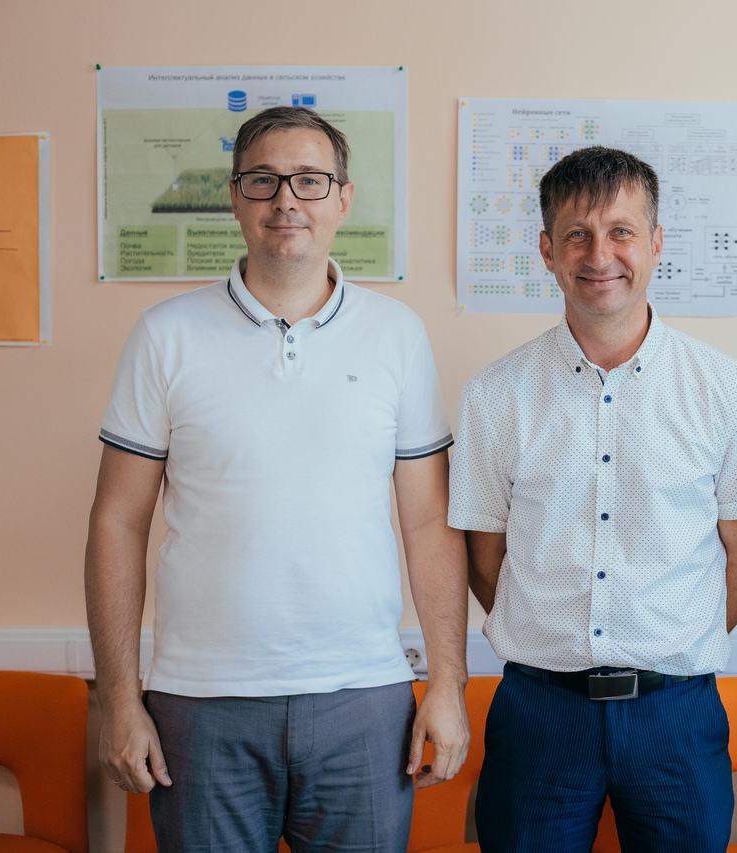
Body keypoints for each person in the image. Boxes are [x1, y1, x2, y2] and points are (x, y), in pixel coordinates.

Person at [85, 106, 469, 852]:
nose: (286, 199)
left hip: (364, 698)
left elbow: (429, 523)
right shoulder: (165, 334)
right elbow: (117, 521)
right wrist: (121, 700)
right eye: (263, 180)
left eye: (310, 180)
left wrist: (448, 682)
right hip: (201, 702)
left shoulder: (397, 335)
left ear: (343, 199)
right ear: (235, 197)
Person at [449, 145, 737, 852]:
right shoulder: (493, 396)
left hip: (676, 714)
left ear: (656, 243)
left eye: (621, 231)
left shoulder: (728, 390)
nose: (599, 255)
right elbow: (484, 559)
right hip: (539, 713)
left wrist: (668, 641)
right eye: (577, 234)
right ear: (547, 250)